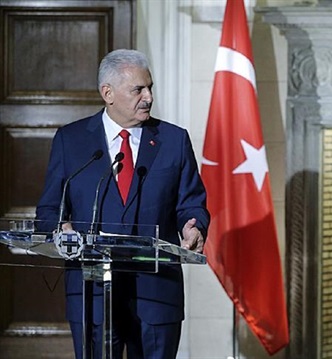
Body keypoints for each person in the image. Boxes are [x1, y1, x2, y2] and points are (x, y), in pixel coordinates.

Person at [36, 49, 210, 359]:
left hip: (157, 293)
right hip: (92, 293)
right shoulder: (71, 141)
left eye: (150, 88)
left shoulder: (173, 140)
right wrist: (60, 227)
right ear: (108, 93)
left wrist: (193, 225)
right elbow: (49, 210)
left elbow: (192, 202)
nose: (148, 97)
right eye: (138, 89)